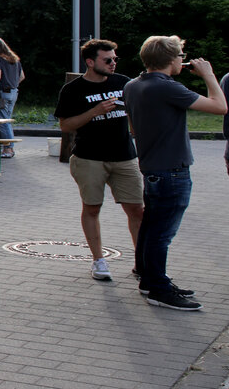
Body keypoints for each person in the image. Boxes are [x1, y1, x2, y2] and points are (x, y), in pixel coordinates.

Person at [125, 36, 227, 310]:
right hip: (172, 171)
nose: (183, 59)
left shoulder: (133, 85)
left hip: (152, 168)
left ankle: (150, 280)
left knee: (150, 227)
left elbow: (133, 128)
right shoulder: (167, 87)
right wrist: (209, 75)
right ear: (171, 60)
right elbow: (221, 107)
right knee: (162, 234)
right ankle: (158, 289)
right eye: (181, 55)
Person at [54, 39, 143, 282]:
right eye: (108, 60)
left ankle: (143, 261)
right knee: (92, 208)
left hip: (124, 156)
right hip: (89, 158)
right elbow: (65, 125)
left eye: (115, 59)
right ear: (90, 62)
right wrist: (95, 111)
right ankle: (98, 260)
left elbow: (134, 114)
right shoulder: (73, 90)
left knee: (137, 209)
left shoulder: (124, 83)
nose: (113, 63)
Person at [0, 37, 24, 155]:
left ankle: (8, 148)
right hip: (14, 92)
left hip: (3, 93)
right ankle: (8, 147)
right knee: (7, 119)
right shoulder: (15, 59)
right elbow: (22, 76)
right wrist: (13, 84)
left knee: (2, 121)